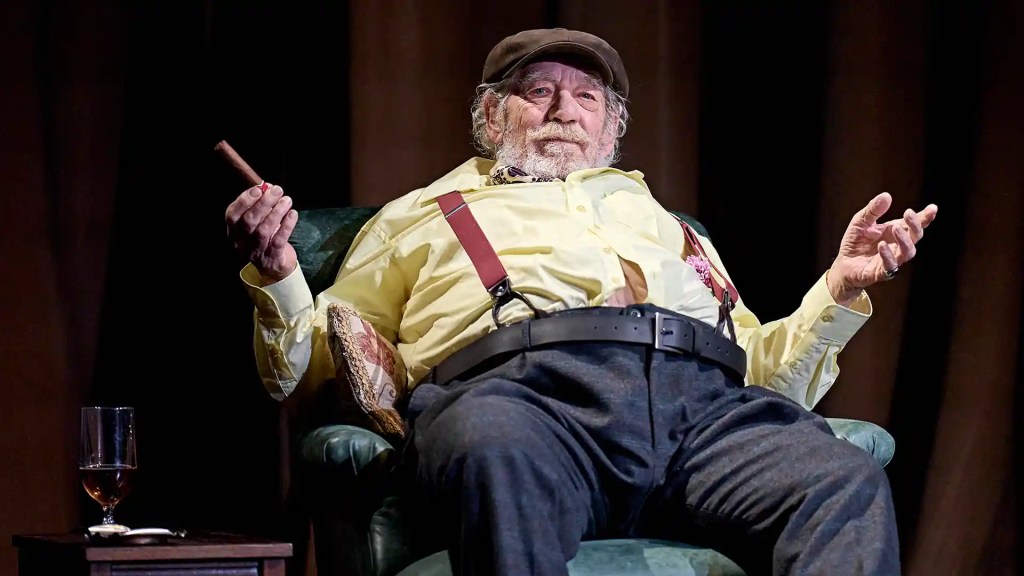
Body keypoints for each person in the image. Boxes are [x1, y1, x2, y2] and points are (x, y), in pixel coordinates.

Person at [225, 28, 936, 576]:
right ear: (491, 115)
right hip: (524, 400)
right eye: (538, 91)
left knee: (841, 479)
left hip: (701, 415)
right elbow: (305, 370)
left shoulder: (669, 227)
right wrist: (281, 272)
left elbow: (762, 372)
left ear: (612, 128)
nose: (565, 109)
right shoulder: (423, 214)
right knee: (493, 449)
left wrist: (838, 288)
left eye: (587, 96)